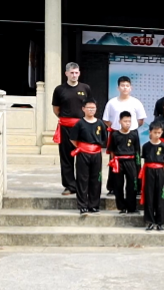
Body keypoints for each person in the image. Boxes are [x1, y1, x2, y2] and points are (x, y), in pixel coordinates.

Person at [51, 62, 91, 196]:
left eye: (76, 72)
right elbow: (56, 109)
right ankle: (69, 185)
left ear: (79, 73)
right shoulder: (59, 90)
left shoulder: (86, 88)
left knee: (83, 157)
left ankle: (82, 184)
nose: (74, 75)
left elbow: (90, 106)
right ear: (66, 73)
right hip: (65, 127)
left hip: (82, 127)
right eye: (72, 73)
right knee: (66, 157)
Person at [103, 76, 147, 196]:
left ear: (131, 87)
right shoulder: (112, 103)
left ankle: (137, 186)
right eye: (122, 85)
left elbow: (141, 120)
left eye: (127, 86)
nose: (125, 88)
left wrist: (130, 128)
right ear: (118, 88)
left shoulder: (136, 102)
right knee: (114, 160)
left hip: (132, 134)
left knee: (136, 160)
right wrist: (117, 128)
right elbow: (106, 120)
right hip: (116, 133)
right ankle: (112, 187)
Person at [69, 98, 108, 215]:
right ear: (83, 109)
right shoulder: (79, 123)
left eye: (93, 108)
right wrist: (84, 147)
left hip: (96, 154)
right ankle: (82, 205)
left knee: (96, 179)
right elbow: (73, 139)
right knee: (82, 179)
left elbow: (104, 139)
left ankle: (94, 205)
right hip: (83, 154)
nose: (91, 110)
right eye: (89, 108)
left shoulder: (100, 123)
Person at [107, 111, 141, 214]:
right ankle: (121, 207)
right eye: (125, 121)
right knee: (118, 185)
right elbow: (111, 150)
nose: (127, 123)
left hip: (131, 161)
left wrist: (137, 165)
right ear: (120, 121)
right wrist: (114, 162)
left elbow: (137, 150)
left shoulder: (134, 134)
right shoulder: (115, 135)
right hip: (118, 161)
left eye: (129, 121)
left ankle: (132, 207)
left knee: (132, 184)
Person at [140, 122, 164, 231]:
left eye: (159, 133)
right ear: (150, 132)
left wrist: (162, 172)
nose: (157, 135)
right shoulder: (146, 146)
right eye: (155, 132)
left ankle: (160, 222)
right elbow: (145, 160)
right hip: (149, 171)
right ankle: (150, 221)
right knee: (149, 196)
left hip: (160, 171)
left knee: (160, 196)